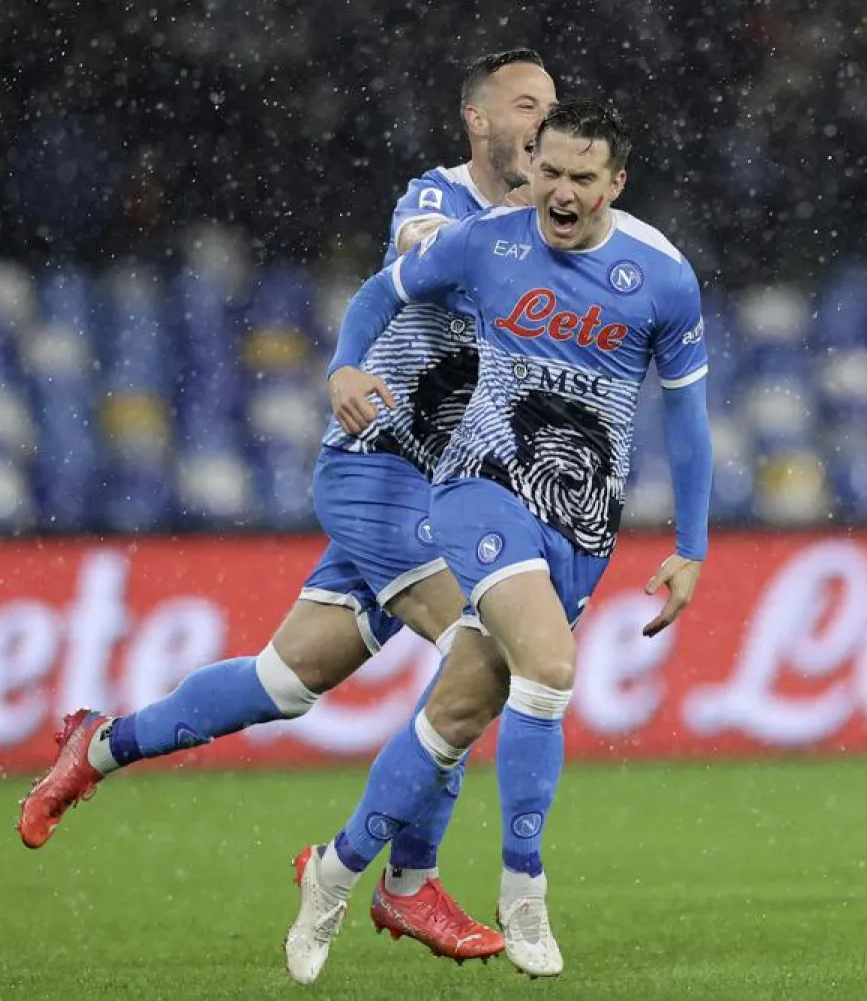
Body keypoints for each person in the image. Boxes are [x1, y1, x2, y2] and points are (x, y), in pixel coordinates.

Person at [15, 49, 557, 961]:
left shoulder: (546, 230)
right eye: (526, 105)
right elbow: (416, 263)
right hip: (377, 469)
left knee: (284, 681)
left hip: (444, 488)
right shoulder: (438, 198)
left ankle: (98, 744)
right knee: (484, 648)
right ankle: (407, 885)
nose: (544, 121)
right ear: (477, 120)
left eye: (553, 107)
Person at [284, 100, 713, 983]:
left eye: (581, 178)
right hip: (479, 485)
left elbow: (691, 420)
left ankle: (334, 869)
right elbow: (381, 291)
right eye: (547, 171)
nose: (559, 191)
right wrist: (344, 365)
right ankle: (524, 888)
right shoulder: (489, 241)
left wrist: (692, 546)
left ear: (614, 185)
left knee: (460, 710)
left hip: (583, 518)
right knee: (549, 669)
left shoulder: (662, 277)